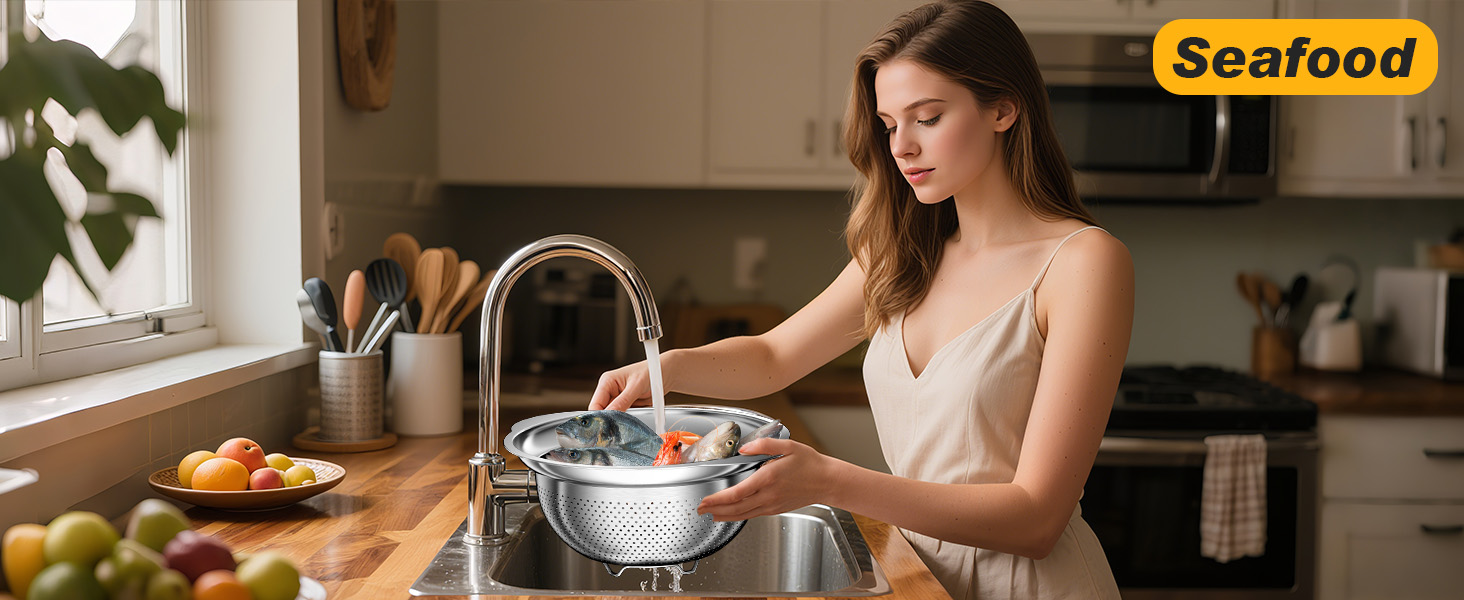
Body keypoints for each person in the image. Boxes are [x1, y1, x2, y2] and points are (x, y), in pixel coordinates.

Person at [588, 1, 1132, 597]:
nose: (902, 147)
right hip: (913, 577)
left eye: (927, 118)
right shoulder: (899, 250)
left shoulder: (1082, 263)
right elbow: (773, 356)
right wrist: (666, 369)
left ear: (1003, 108)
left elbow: (1036, 520)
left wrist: (831, 481)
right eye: (890, 124)